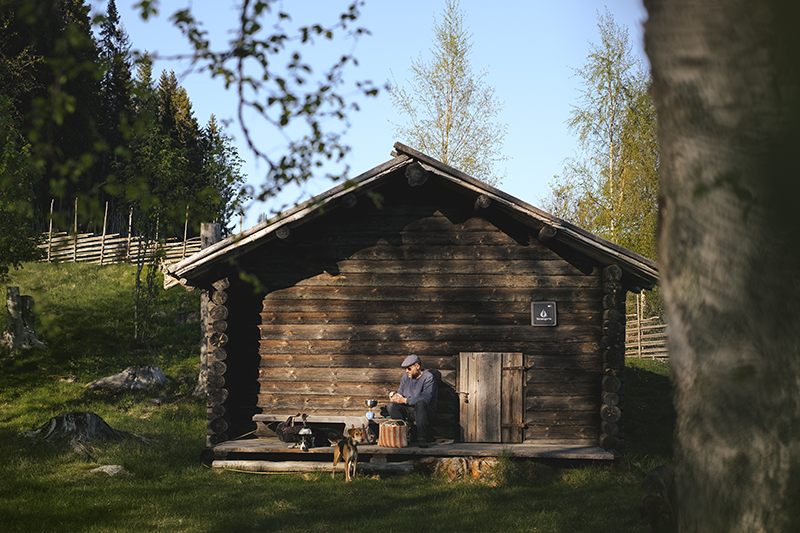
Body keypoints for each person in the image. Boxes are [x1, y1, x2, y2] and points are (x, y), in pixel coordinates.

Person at [387, 354, 437, 448]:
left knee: (420, 404)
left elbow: (426, 398)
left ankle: (421, 438)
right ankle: (402, 436)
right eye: (405, 369)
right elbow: (400, 392)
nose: (407, 371)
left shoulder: (428, 377)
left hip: (424, 410)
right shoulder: (405, 377)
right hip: (408, 409)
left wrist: (405, 400)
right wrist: (396, 398)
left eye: (409, 368)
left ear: (417, 366)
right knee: (391, 406)